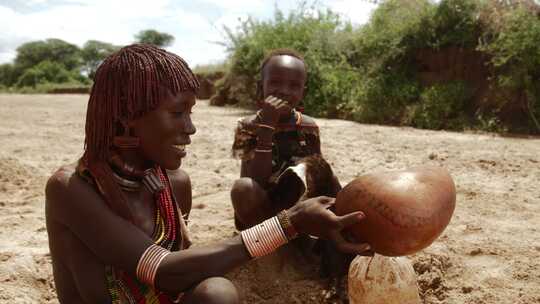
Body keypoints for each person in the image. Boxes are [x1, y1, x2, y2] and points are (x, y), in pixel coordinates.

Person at [45, 44, 370, 304]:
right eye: (177, 113)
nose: (191, 128)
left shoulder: (172, 184)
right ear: (127, 118)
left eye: (190, 113)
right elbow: (163, 271)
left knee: (217, 293)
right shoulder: (71, 189)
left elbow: (184, 276)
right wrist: (290, 223)